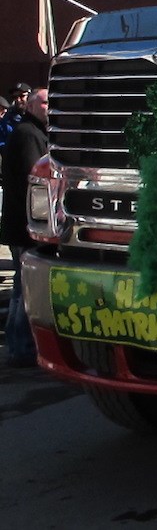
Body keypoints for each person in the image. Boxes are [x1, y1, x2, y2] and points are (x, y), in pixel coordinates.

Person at [1, 85, 47, 368]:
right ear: (30, 106)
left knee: (21, 287)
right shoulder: (28, 134)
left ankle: (18, 345)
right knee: (22, 289)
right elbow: (38, 180)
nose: (48, 107)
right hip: (24, 225)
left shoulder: (31, 132)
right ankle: (21, 349)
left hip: (21, 224)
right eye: (43, 103)